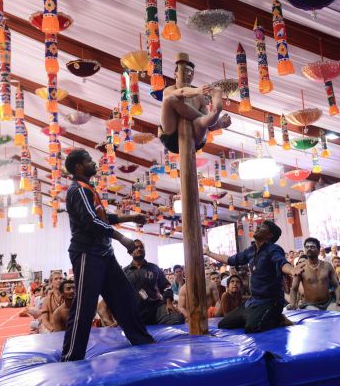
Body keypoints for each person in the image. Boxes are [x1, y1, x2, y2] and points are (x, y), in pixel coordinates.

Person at [62, 149, 154, 361]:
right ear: (79, 167)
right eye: (89, 160)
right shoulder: (78, 190)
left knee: (125, 296)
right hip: (87, 253)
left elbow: (103, 217)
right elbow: (91, 222)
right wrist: (122, 238)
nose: (94, 163)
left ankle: (141, 339)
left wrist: (131, 217)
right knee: (85, 306)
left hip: (104, 253)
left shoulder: (88, 189)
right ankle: (71, 356)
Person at [204, 220, 303, 333]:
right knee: (224, 324)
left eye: (263, 226)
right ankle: (255, 317)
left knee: (252, 328)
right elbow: (229, 260)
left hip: (270, 301)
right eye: (259, 225)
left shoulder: (273, 249)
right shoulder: (250, 251)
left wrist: (292, 270)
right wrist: (209, 253)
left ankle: (278, 319)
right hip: (253, 301)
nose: (258, 226)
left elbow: (281, 263)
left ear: (270, 235)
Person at [158, 53, 231, 155]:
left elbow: (206, 123)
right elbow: (182, 91)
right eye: (185, 71)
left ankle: (216, 112)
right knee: (169, 99)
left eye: (191, 73)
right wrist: (197, 91)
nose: (189, 75)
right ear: (175, 74)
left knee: (201, 122)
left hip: (194, 137)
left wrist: (214, 121)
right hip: (170, 134)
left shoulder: (199, 97)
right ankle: (214, 114)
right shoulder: (169, 90)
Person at [124, 239, 184, 325]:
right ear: (130, 252)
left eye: (141, 247)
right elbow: (120, 295)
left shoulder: (154, 268)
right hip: (136, 311)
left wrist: (169, 303)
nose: (139, 249)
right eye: (136, 247)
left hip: (156, 308)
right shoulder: (125, 272)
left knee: (178, 318)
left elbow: (166, 286)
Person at [288, 237, 340, 311]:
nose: (309, 249)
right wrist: (292, 304)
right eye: (307, 247)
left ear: (318, 250)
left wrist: (339, 300)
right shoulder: (299, 268)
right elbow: (294, 289)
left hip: (328, 303)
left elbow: (336, 285)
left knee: (339, 309)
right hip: (310, 305)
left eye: (312, 247)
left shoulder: (327, 266)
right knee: (313, 313)